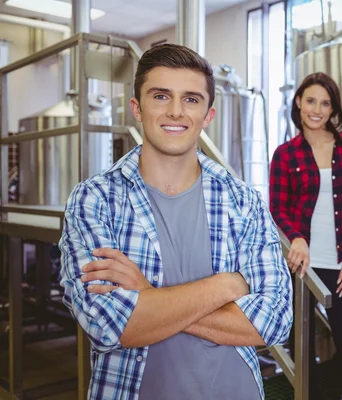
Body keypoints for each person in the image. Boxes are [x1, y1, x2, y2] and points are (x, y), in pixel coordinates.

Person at [58, 43, 293, 400]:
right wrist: (226, 286)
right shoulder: (95, 200)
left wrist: (147, 297)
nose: (176, 112)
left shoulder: (243, 202)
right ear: (137, 108)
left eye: (191, 99)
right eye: (161, 96)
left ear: (208, 115)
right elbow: (107, 324)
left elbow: (275, 322)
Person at [269, 72, 342, 400]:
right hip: (301, 269)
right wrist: (297, 237)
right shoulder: (285, 155)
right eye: (311, 100)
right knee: (301, 354)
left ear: (333, 109)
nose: (317, 109)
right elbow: (278, 209)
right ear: (298, 102)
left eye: (325, 103)